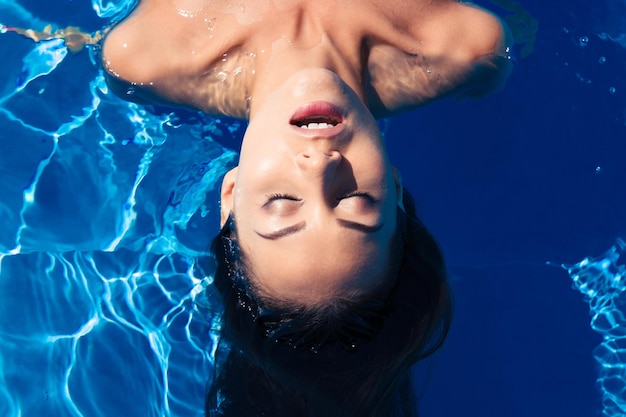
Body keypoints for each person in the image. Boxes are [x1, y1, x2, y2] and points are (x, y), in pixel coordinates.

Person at [12, 1, 510, 415]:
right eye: (356, 201)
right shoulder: (464, 48)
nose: (320, 166)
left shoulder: (147, 56)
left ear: (230, 197)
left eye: (283, 202)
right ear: (397, 192)